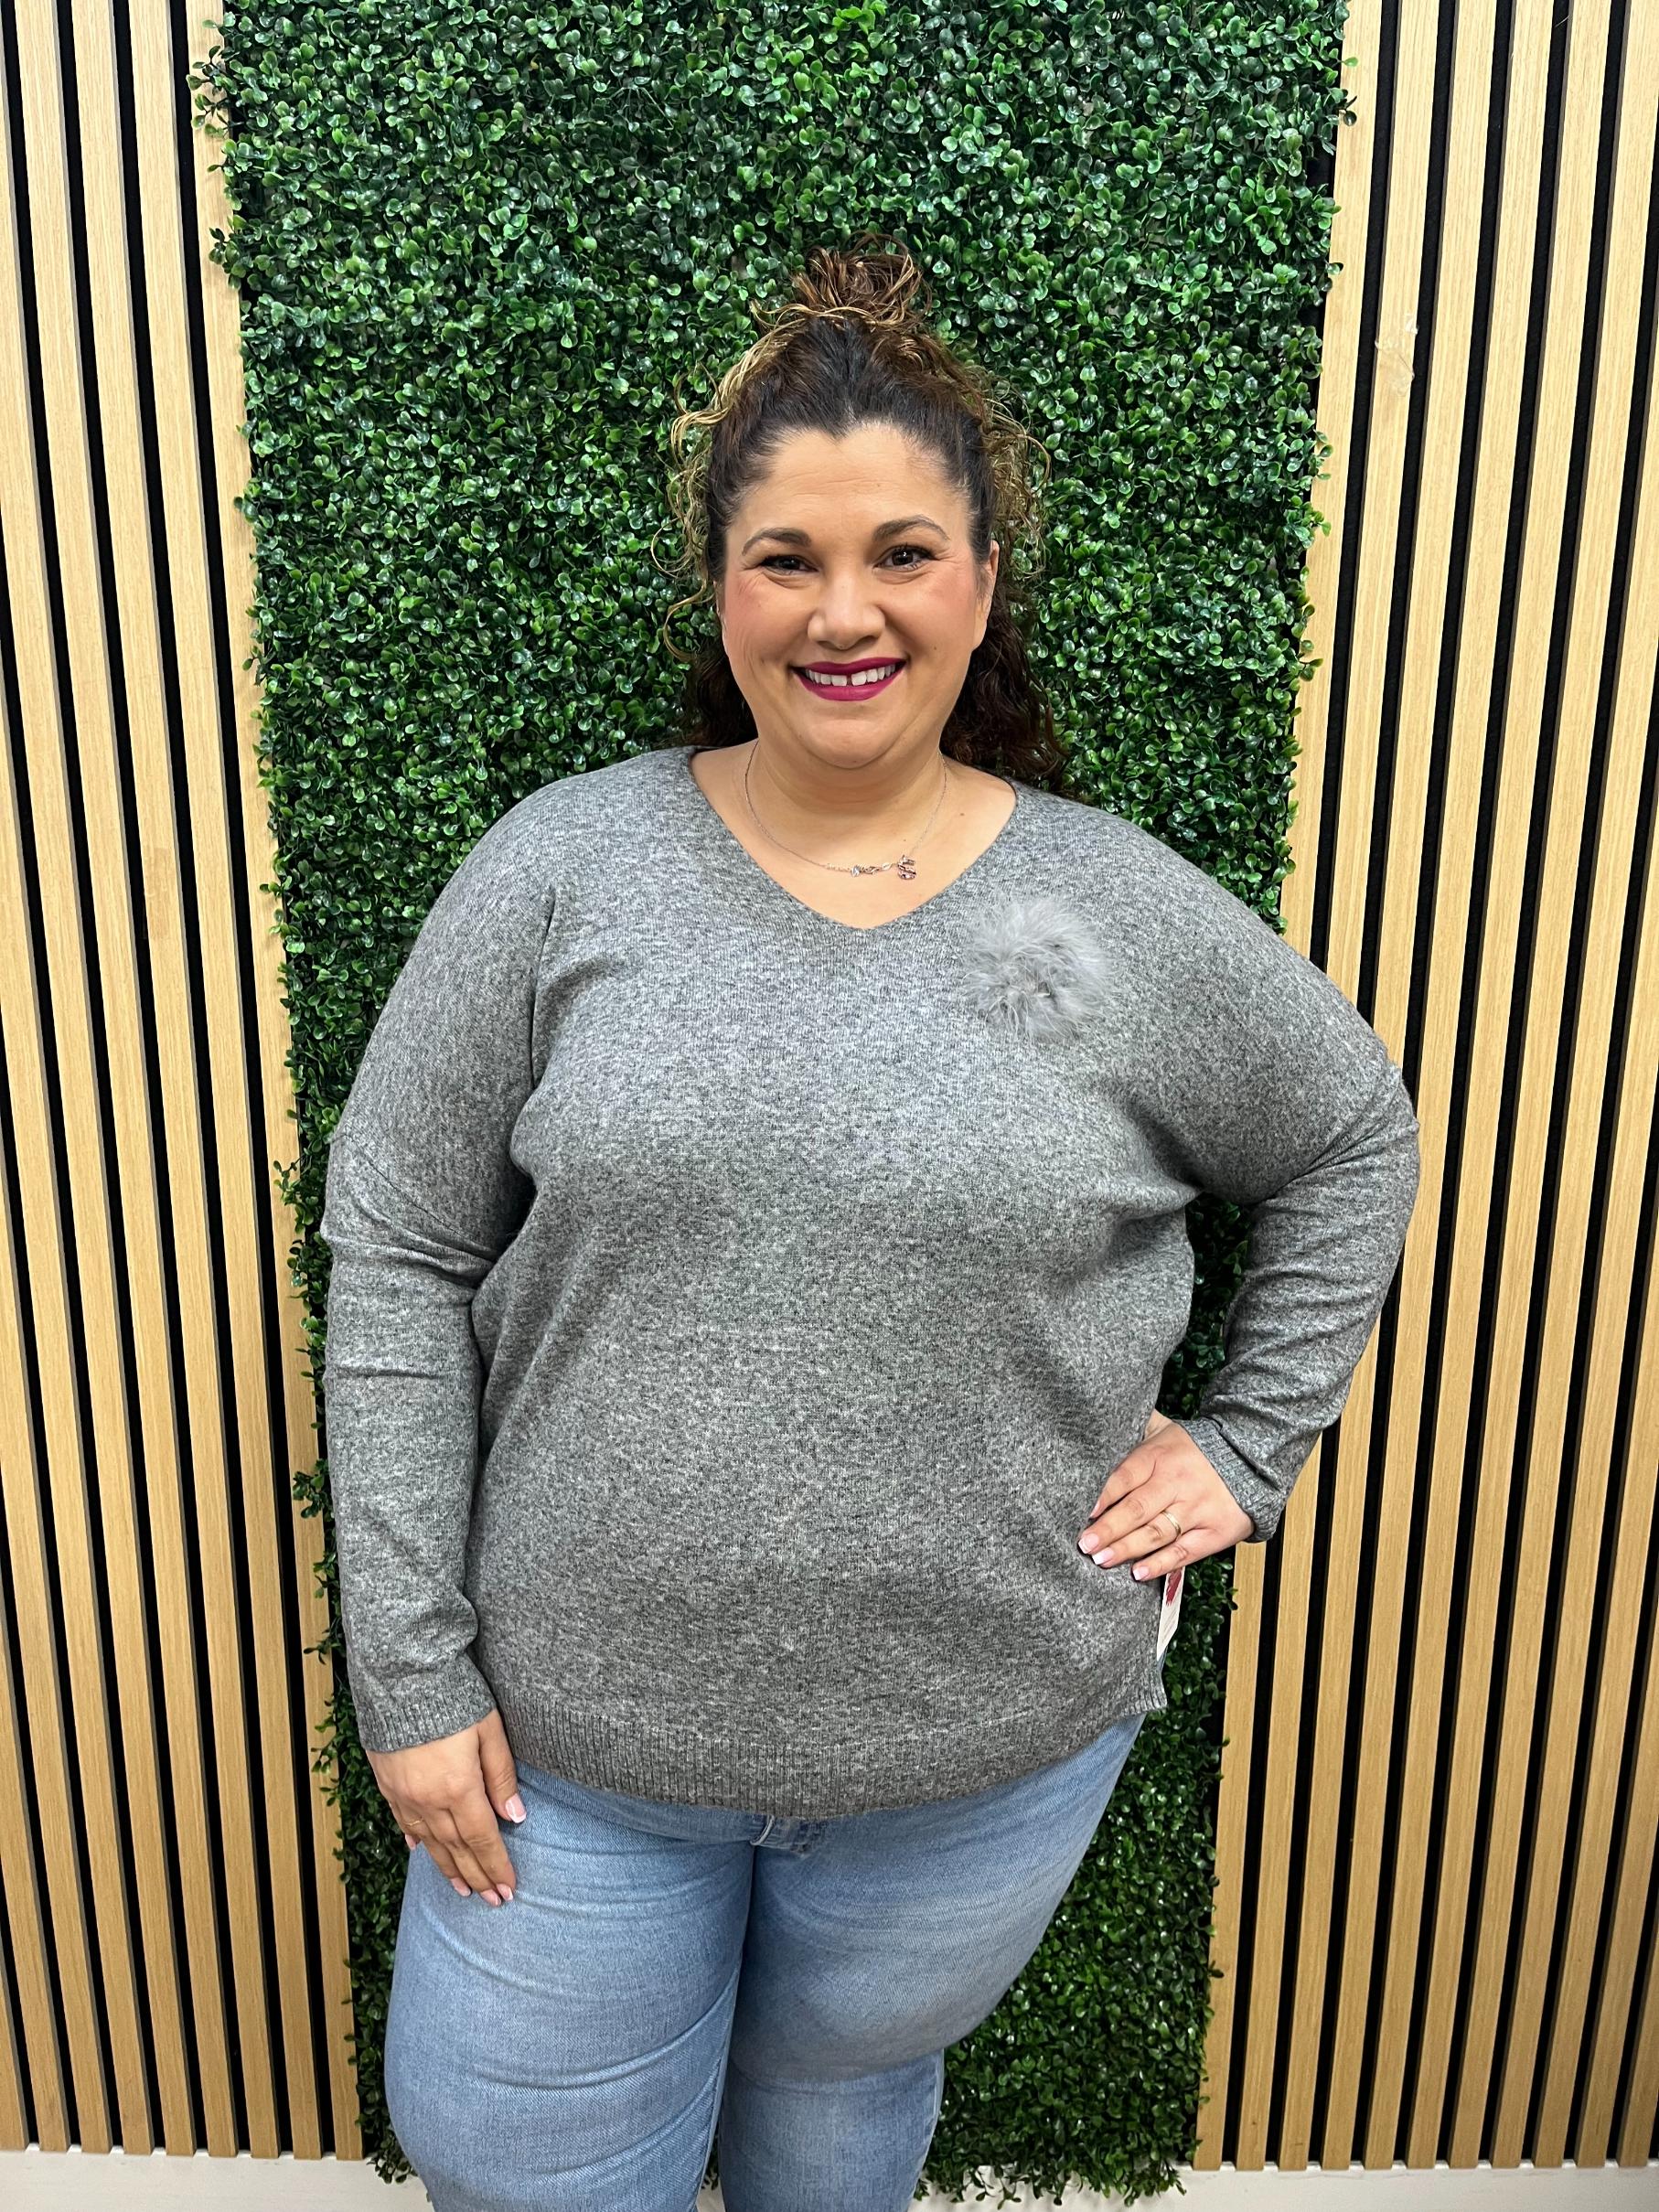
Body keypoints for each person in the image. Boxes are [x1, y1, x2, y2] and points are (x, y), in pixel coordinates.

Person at [319, 233, 1421, 2212]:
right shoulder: (559, 874)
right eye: (789, 559)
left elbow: (1352, 1136)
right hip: (571, 1754)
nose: (847, 612)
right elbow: (398, 1257)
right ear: (721, 589)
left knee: (838, 2122)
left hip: (978, 1759)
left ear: (981, 583)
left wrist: (1250, 1447)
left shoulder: (1116, 912)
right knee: (517, 2169)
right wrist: (410, 1672)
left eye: (903, 554)